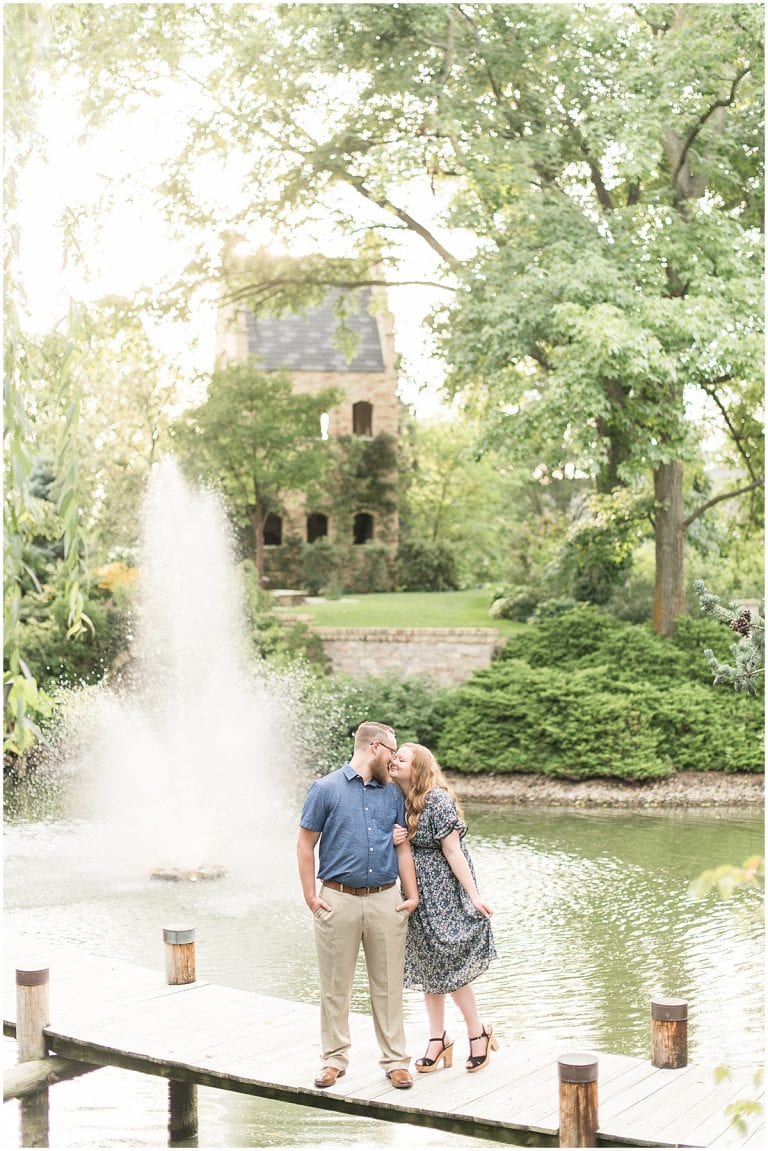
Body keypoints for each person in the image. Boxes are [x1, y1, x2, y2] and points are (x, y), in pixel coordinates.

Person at [297, 721, 419, 1091]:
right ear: (376, 748)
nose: (394, 760)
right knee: (335, 986)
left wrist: (410, 895)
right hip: (337, 899)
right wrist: (310, 896)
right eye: (393, 752)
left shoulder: (393, 793)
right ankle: (333, 1060)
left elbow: (401, 847)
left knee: (388, 985)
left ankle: (396, 1061)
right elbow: (305, 845)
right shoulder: (325, 789)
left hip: (385, 900)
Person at [390, 742, 499, 1074]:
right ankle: (438, 1039)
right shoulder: (397, 797)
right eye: (394, 757)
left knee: (450, 966)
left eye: (402, 758)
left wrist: (474, 895)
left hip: (445, 893)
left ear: (418, 767)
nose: (394, 761)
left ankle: (476, 1032)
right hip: (414, 891)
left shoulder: (436, 799)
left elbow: (454, 852)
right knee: (427, 967)